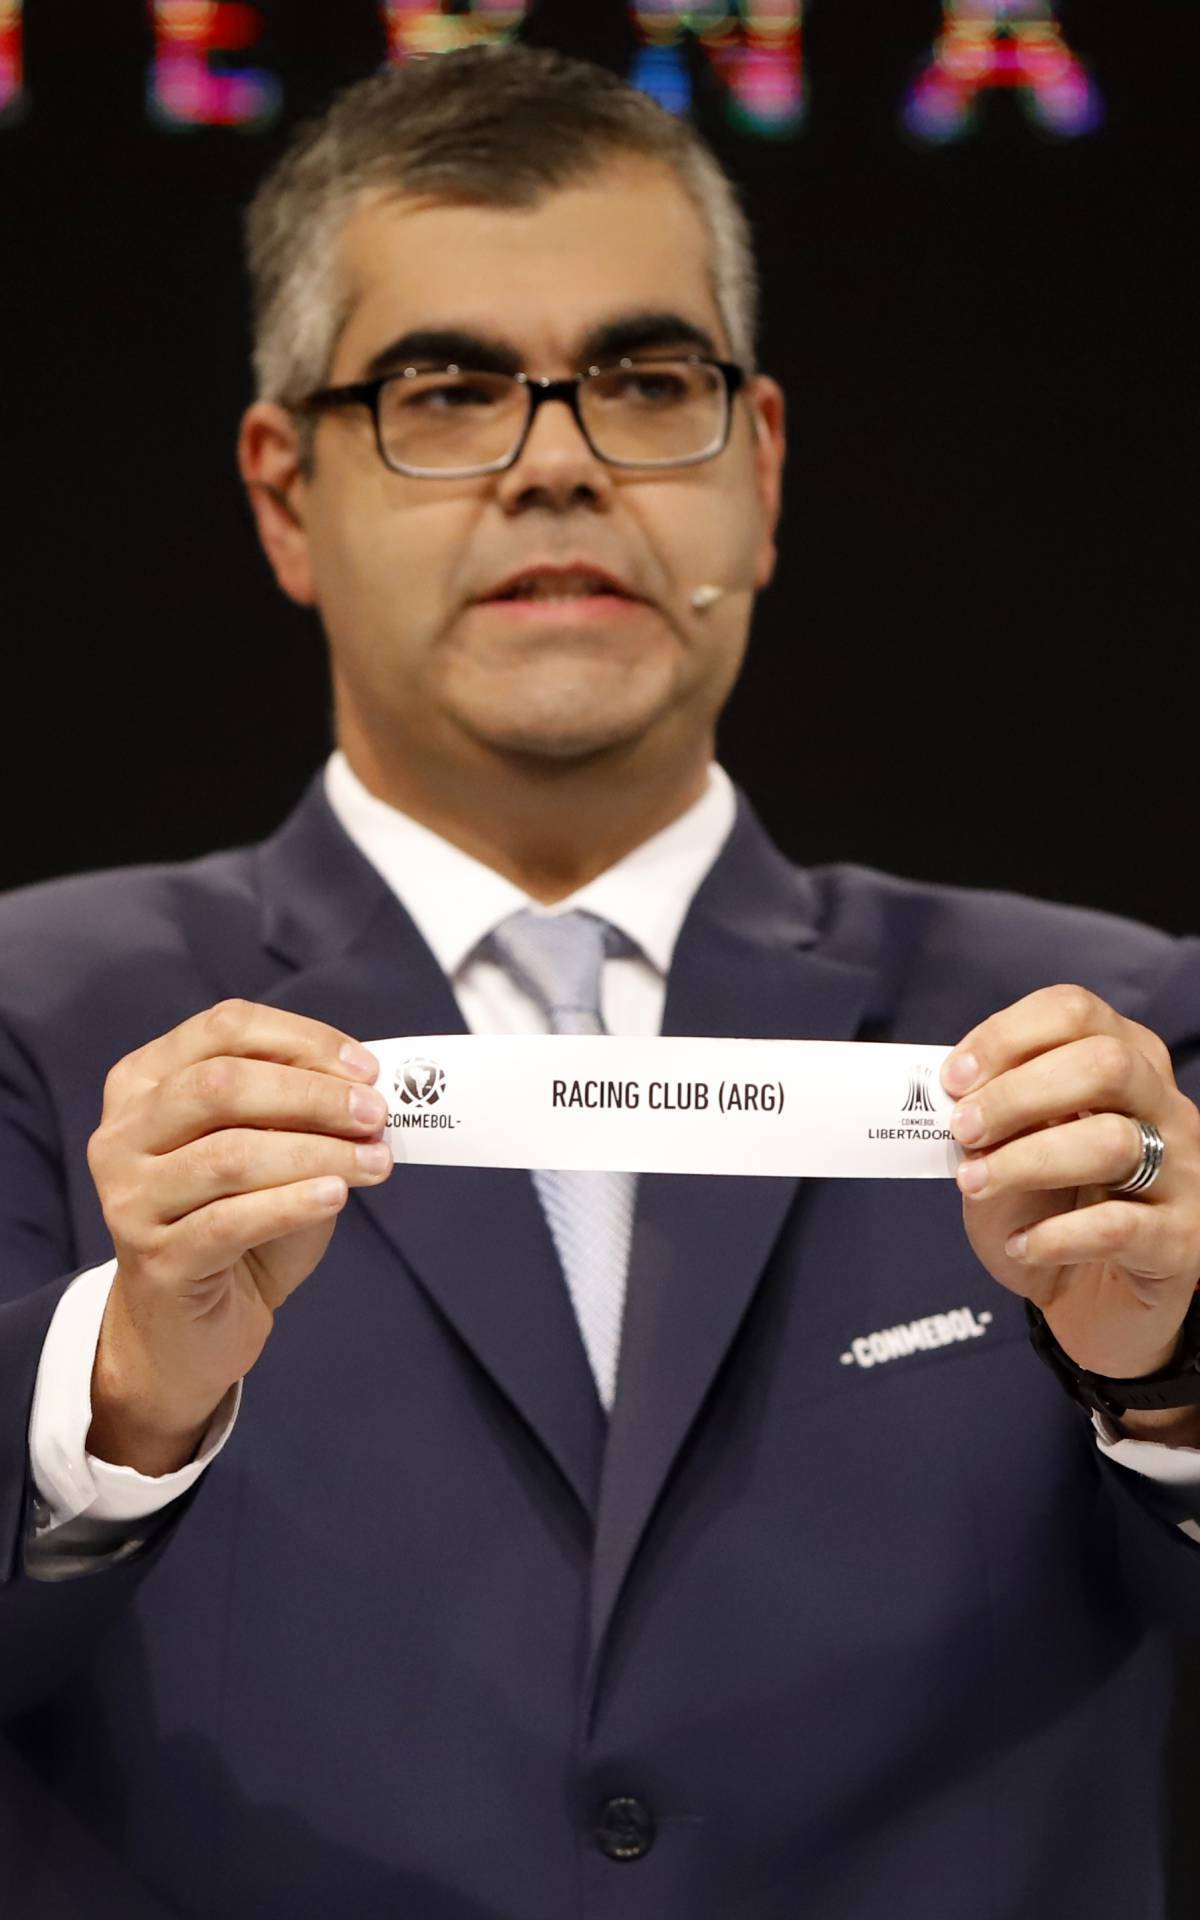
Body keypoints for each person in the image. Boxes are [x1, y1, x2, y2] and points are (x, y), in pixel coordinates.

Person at [2, 43, 1199, 1920]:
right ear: (283, 494)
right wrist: (131, 1395)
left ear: (762, 468)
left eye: (650, 383)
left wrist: (1179, 1389)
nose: (559, 457)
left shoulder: (1123, 1056)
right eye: (448, 388)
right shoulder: (33, 1016)